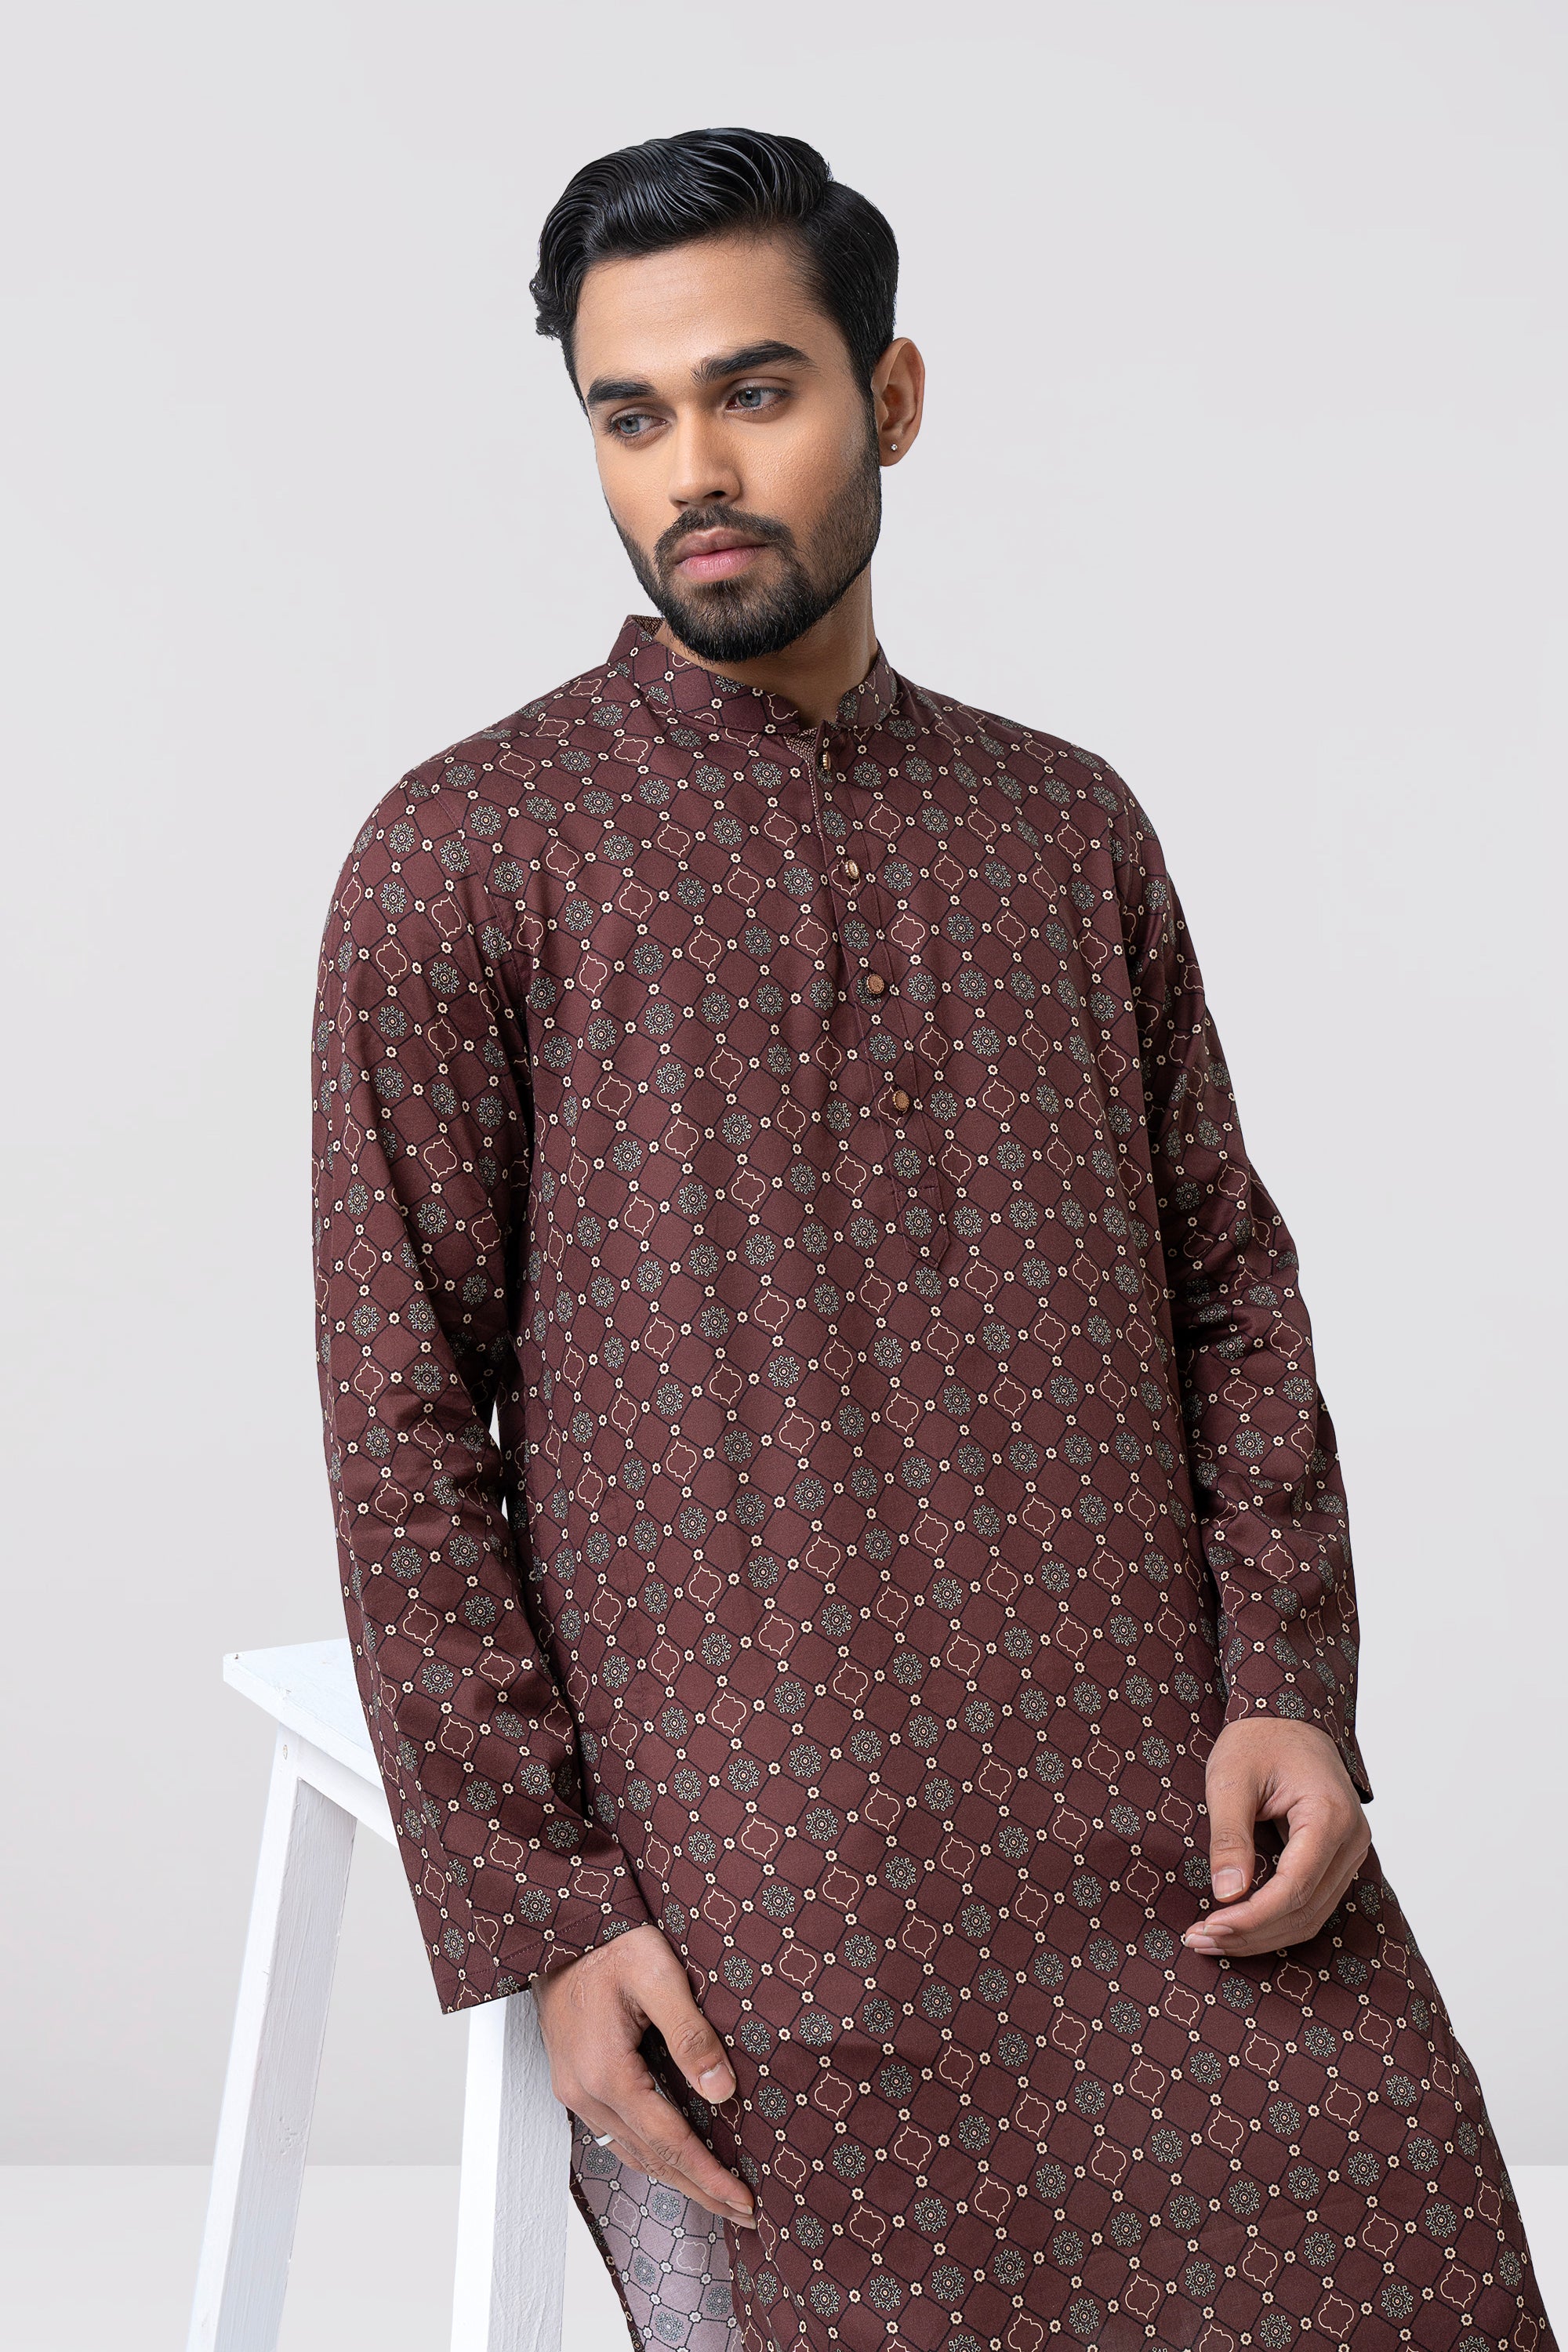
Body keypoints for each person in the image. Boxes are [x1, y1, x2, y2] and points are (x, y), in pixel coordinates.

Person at [310, 128, 1554, 2352]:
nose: (694, 469)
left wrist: (1293, 1682)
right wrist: (545, 1909)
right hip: (770, 1838)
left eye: (754, 391)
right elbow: (400, 1415)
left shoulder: (1065, 823)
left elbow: (1228, 1283)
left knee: (1407, 2246)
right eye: (629, 415)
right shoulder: (467, 855)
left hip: (1152, 1788)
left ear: (890, 398)